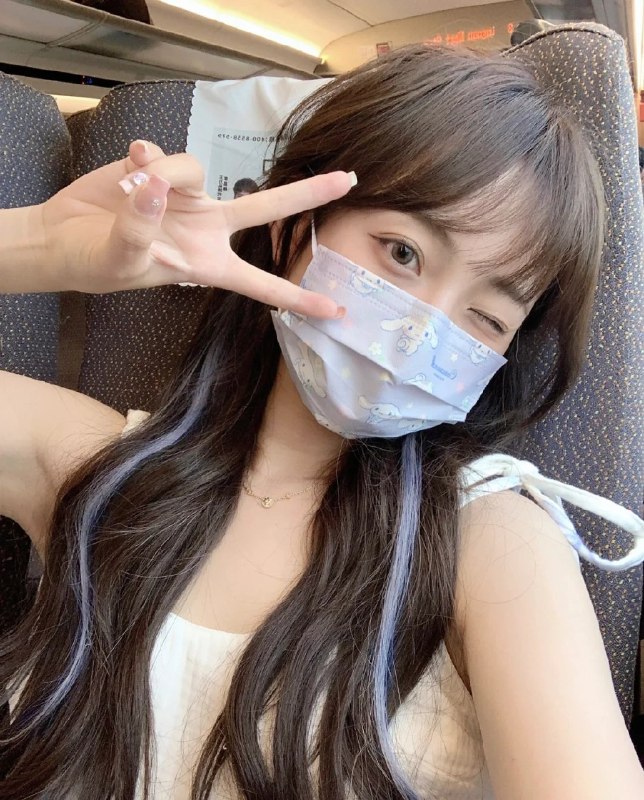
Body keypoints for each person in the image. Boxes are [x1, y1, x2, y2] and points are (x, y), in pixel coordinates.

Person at [0, 44, 643, 800]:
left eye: (486, 317)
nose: (421, 334)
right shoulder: (94, 461)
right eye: (402, 253)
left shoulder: (491, 540)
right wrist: (38, 249)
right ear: (294, 229)